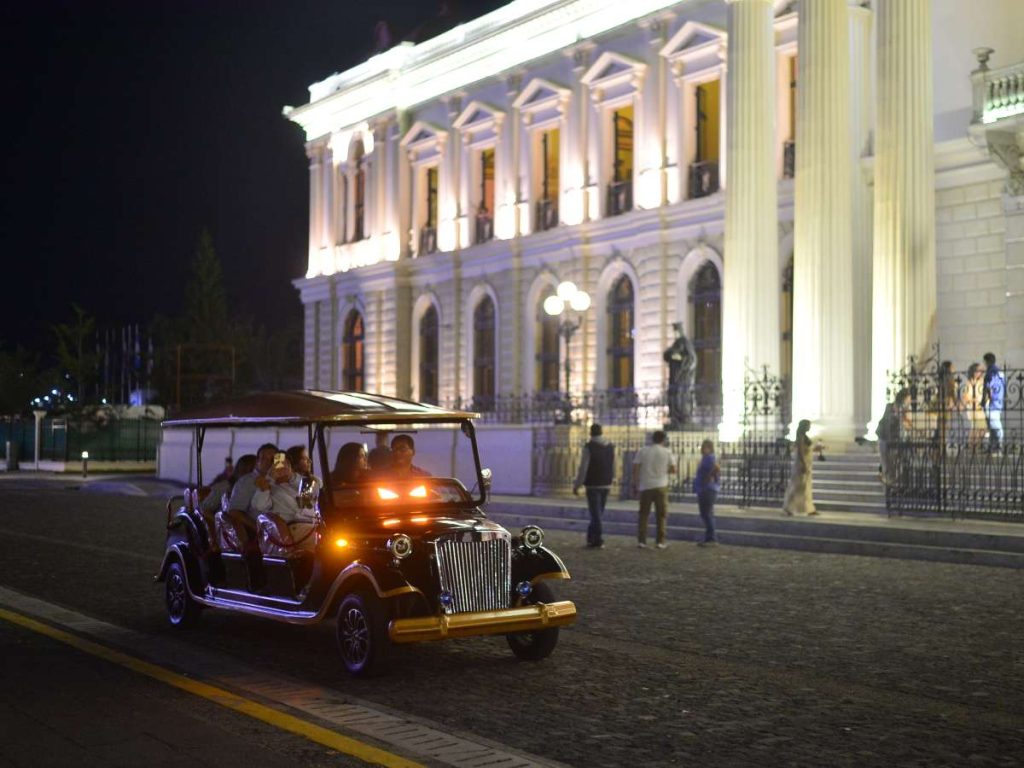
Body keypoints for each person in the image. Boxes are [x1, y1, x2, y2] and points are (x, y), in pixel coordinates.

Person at [251, 454, 317, 551]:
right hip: (290, 528)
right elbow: (260, 506)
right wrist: (270, 479)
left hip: (311, 526)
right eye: (277, 465)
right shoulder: (269, 487)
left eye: (285, 464)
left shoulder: (301, 483)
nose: (281, 468)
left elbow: (312, 492)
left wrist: (291, 477)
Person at [572, 423, 614, 549]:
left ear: (591, 433)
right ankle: (591, 537)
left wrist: (577, 484)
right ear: (602, 432)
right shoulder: (610, 446)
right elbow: (612, 463)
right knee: (598, 513)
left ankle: (598, 539)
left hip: (593, 484)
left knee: (595, 514)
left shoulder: (589, 447)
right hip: (606, 483)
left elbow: (583, 468)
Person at [632, 430, 676, 549]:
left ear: (652, 439)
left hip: (646, 485)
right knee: (661, 515)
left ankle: (642, 541)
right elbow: (673, 469)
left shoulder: (643, 451)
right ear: (663, 439)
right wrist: (663, 471)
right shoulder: (667, 452)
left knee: (643, 514)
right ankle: (660, 541)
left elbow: (635, 467)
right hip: (661, 485)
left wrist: (635, 483)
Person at [663, 323, 696, 427]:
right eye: (674, 331)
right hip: (674, 377)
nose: (675, 333)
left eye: (676, 331)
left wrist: (681, 359)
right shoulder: (676, 343)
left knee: (681, 396)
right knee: (673, 396)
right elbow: (667, 354)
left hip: (683, 377)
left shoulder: (685, 342)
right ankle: (675, 417)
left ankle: (683, 417)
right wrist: (672, 355)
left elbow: (692, 358)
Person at [783, 420, 817, 516]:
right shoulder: (801, 437)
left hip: (806, 463)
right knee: (797, 485)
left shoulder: (805, 437)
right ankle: (788, 506)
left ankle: (809, 508)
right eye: (808, 425)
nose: (809, 427)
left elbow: (807, 449)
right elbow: (801, 452)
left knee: (805, 486)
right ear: (804, 426)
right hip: (801, 464)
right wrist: (803, 464)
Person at [876, 390, 909, 486]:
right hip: (885, 438)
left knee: (891, 461)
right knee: (887, 460)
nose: (909, 401)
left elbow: (904, 422)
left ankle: (889, 480)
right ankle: (887, 479)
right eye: (908, 398)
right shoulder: (893, 407)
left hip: (890, 439)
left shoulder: (900, 409)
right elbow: (892, 422)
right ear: (903, 398)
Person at [693, 439, 721, 546]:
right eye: (702, 447)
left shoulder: (709, 457)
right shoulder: (707, 457)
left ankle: (712, 539)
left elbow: (717, 468)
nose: (702, 449)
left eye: (705, 447)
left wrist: (708, 476)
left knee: (706, 513)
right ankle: (709, 538)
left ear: (709, 448)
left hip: (708, 489)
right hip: (705, 489)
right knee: (707, 513)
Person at [982, 352, 1005, 453]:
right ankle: (993, 447)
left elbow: (988, 387)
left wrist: (984, 400)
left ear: (987, 361)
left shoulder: (990, 372)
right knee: (993, 426)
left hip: (992, 403)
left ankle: (998, 447)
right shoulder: (1000, 372)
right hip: (999, 402)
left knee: (995, 425)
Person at [963, 363, 988, 446]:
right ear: (973, 372)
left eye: (981, 371)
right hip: (974, 409)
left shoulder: (981, 380)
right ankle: (972, 445)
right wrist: (975, 400)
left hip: (981, 408)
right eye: (978, 371)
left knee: (981, 428)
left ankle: (974, 445)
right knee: (977, 428)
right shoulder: (969, 382)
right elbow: (966, 397)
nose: (980, 372)